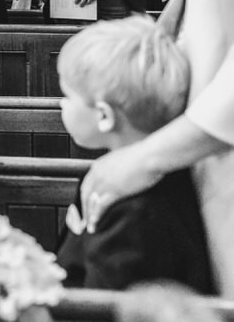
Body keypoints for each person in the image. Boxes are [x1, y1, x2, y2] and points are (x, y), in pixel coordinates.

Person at [55, 16, 213, 292]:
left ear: (104, 116)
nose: (61, 104)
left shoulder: (137, 213)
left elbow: (106, 301)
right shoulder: (136, 173)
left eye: (68, 96)